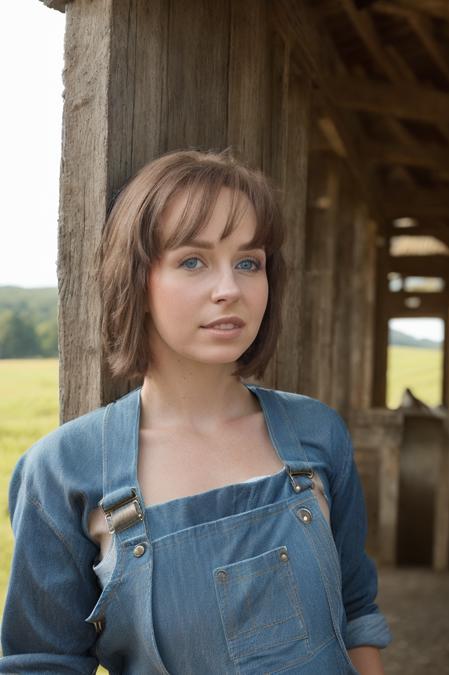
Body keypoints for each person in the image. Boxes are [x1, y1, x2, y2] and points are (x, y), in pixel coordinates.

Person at [1, 149, 392, 674]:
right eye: (193, 261)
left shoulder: (317, 433)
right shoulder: (62, 471)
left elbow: (356, 613)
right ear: (138, 282)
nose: (230, 289)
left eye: (248, 262)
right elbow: (39, 663)